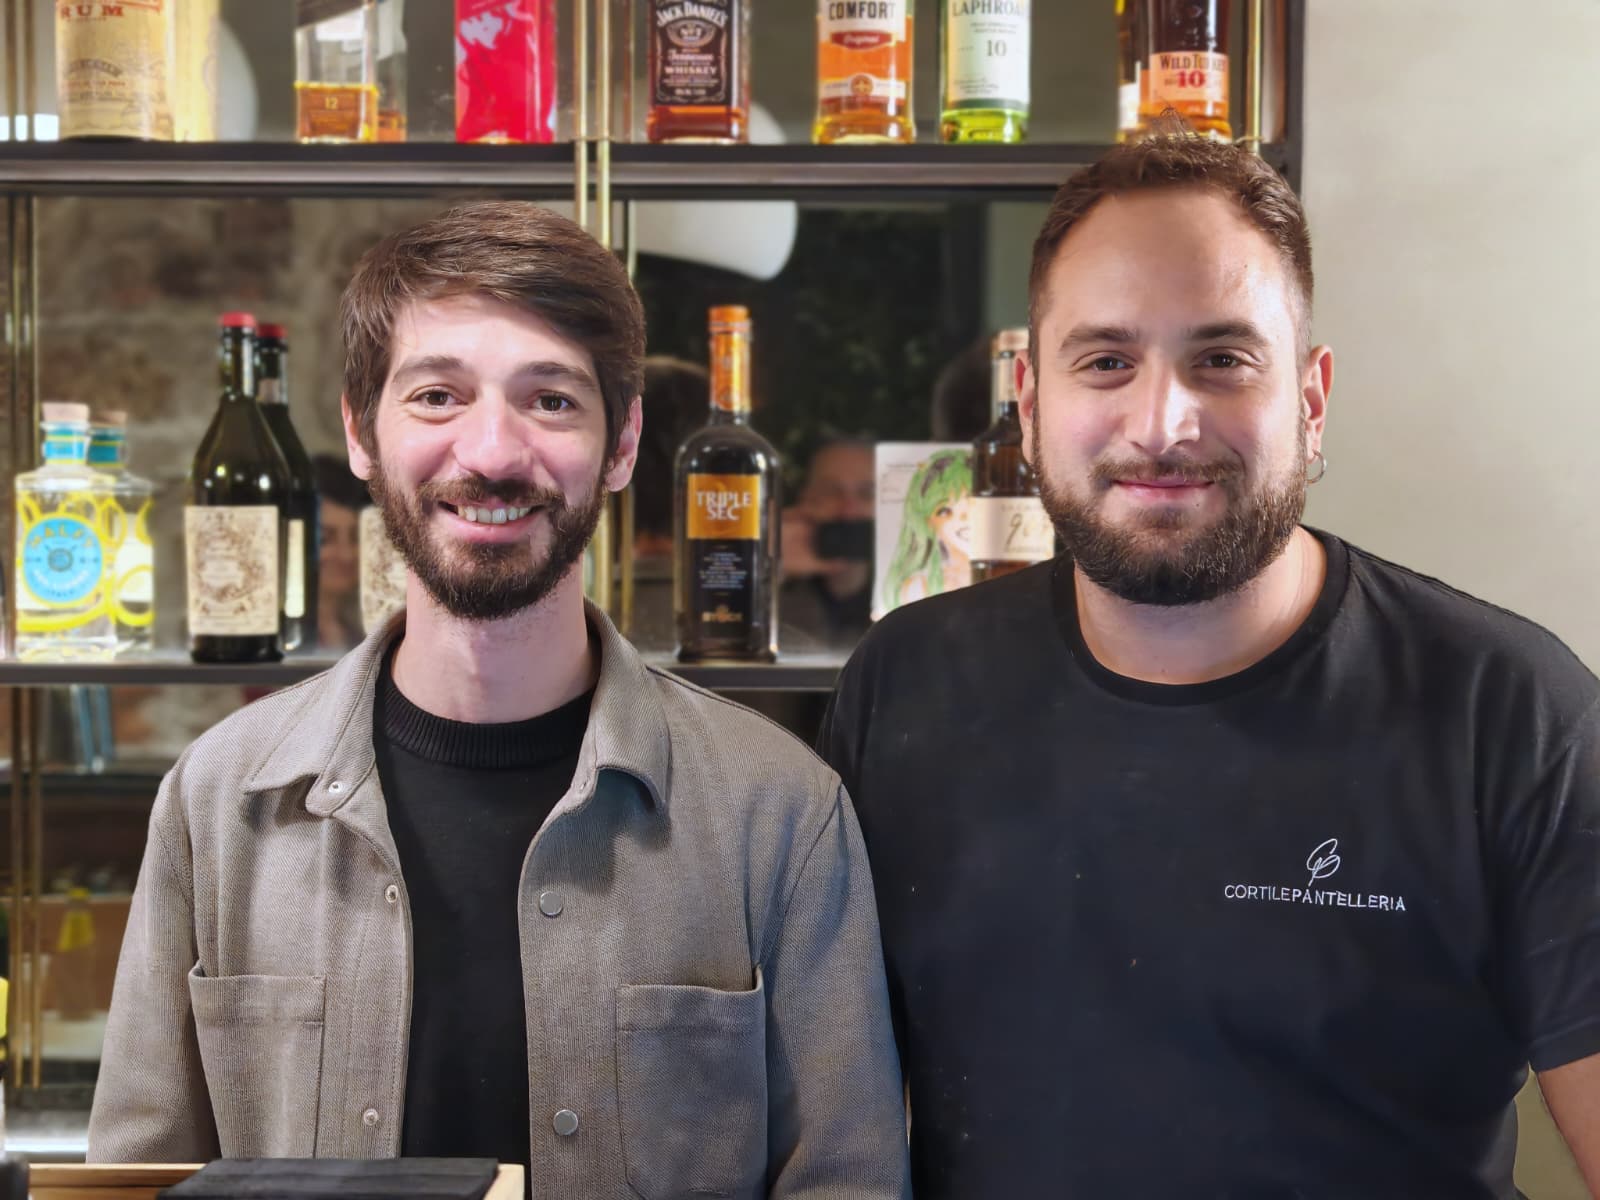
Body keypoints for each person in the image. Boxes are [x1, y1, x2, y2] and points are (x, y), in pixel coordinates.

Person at [819, 132, 1600, 1197]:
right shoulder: (906, 684)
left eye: (1223, 359)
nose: (1162, 425)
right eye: (1106, 361)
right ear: (1031, 403)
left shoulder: (1510, 714)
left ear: (1311, 401)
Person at [89, 201, 911, 1198]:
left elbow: (847, 1182)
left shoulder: (778, 812)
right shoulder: (220, 802)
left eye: (550, 400)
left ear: (622, 444)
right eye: (437, 396)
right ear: (360, 431)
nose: (490, 452)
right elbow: (137, 1181)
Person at [779, 436, 877, 647]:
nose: (848, 510)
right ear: (805, 499)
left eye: (866, 493)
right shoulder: (777, 581)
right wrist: (767, 573)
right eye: (830, 492)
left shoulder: (912, 590)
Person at [878, 448, 972, 612]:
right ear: (927, 522)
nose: (963, 518)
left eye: (972, 503)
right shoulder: (917, 588)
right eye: (945, 511)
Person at [312, 452, 368, 651]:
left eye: (356, 537)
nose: (346, 555)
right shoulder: (281, 641)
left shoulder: (364, 633)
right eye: (325, 539)